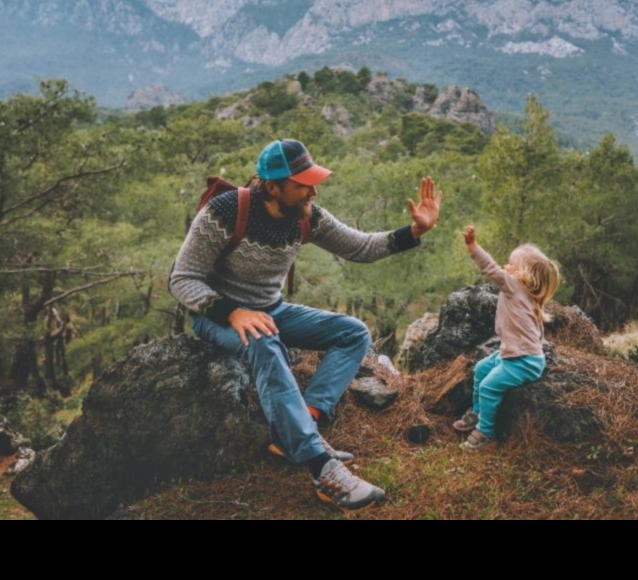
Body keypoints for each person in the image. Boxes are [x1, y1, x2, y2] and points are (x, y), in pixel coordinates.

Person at [169, 139, 441, 510]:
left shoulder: (306, 216)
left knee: (353, 332)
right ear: (272, 186)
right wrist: (233, 312)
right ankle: (322, 469)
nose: (313, 190)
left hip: (272, 309)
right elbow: (182, 279)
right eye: (303, 183)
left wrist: (414, 231)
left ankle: (304, 422)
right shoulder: (226, 212)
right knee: (263, 340)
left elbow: (360, 247)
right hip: (216, 318)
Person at [453, 225, 560, 450]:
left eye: (511, 263)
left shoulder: (514, 286)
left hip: (523, 361)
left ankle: (486, 433)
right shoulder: (527, 295)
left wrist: (473, 246)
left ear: (523, 273)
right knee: (481, 369)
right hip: (513, 354)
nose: (506, 265)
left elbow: (491, 269)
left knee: (489, 387)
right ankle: (479, 412)